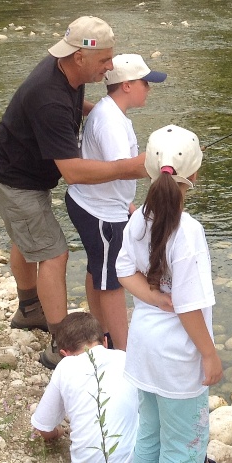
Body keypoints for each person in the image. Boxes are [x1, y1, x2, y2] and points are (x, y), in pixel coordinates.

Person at [0, 16, 148, 368]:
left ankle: (28, 309)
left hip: (15, 169)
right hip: (13, 178)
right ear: (79, 57)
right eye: (104, 61)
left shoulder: (71, 72)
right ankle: (61, 345)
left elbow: (72, 112)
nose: (110, 67)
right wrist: (131, 166)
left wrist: (103, 113)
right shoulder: (49, 96)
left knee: (26, 238)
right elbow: (72, 173)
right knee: (54, 254)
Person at [115, 125, 225, 463]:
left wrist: (153, 297)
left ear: (149, 170)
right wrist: (209, 354)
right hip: (178, 358)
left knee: (152, 427)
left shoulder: (138, 218)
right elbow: (190, 305)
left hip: (144, 347)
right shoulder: (189, 231)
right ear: (193, 177)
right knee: (185, 443)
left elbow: (124, 271)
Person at [31, 311, 232, 463]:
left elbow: (43, 428)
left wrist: (58, 432)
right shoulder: (125, 359)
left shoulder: (64, 368)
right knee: (180, 439)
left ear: (63, 353)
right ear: (105, 341)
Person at [66, 54, 167, 350]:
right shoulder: (110, 121)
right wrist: (173, 161)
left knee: (97, 268)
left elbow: (115, 172)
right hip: (100, 212)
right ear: (126, 85)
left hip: (96, 204)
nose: (149, 88)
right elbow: (123, 166)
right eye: (144, 82)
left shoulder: (109, 111)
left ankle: (102, 333)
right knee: (112, 280)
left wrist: (127, 205)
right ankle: (121, 350)